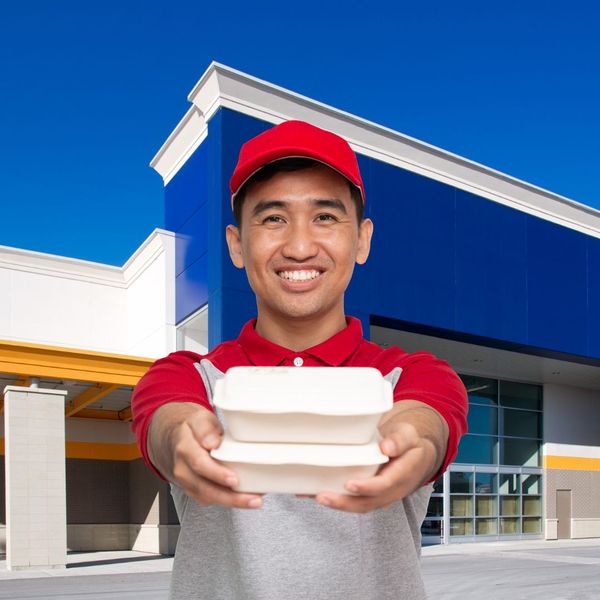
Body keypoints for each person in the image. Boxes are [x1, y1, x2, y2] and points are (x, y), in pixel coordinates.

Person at [132, 120, 468, 600]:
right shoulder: (191, 378)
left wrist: (415, 437)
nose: (299, 246)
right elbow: (167, 417)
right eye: (272, 219)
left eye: (325, 217)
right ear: (235, 245)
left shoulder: (410, 376)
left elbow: (430, 416)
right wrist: (178, 434)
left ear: (362, 240)